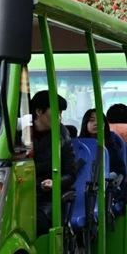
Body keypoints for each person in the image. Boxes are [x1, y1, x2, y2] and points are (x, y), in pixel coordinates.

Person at [30, 90, 77, 236]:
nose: (59, 117)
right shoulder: (19, 133)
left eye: (61, 113)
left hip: (46, 198)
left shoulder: (62, 137)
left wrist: (55, 182)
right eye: (56, 112)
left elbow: (70, 174)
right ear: (38, 111)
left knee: (35, 220)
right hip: (21, 194)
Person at [79, 109, 127, 178]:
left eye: (100, 120)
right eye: (92, 120)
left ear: (105, 124)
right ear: (85, 123)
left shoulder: (112, 145)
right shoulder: (79, 145)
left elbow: (120, 171)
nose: (96, 123)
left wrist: (108, 177)